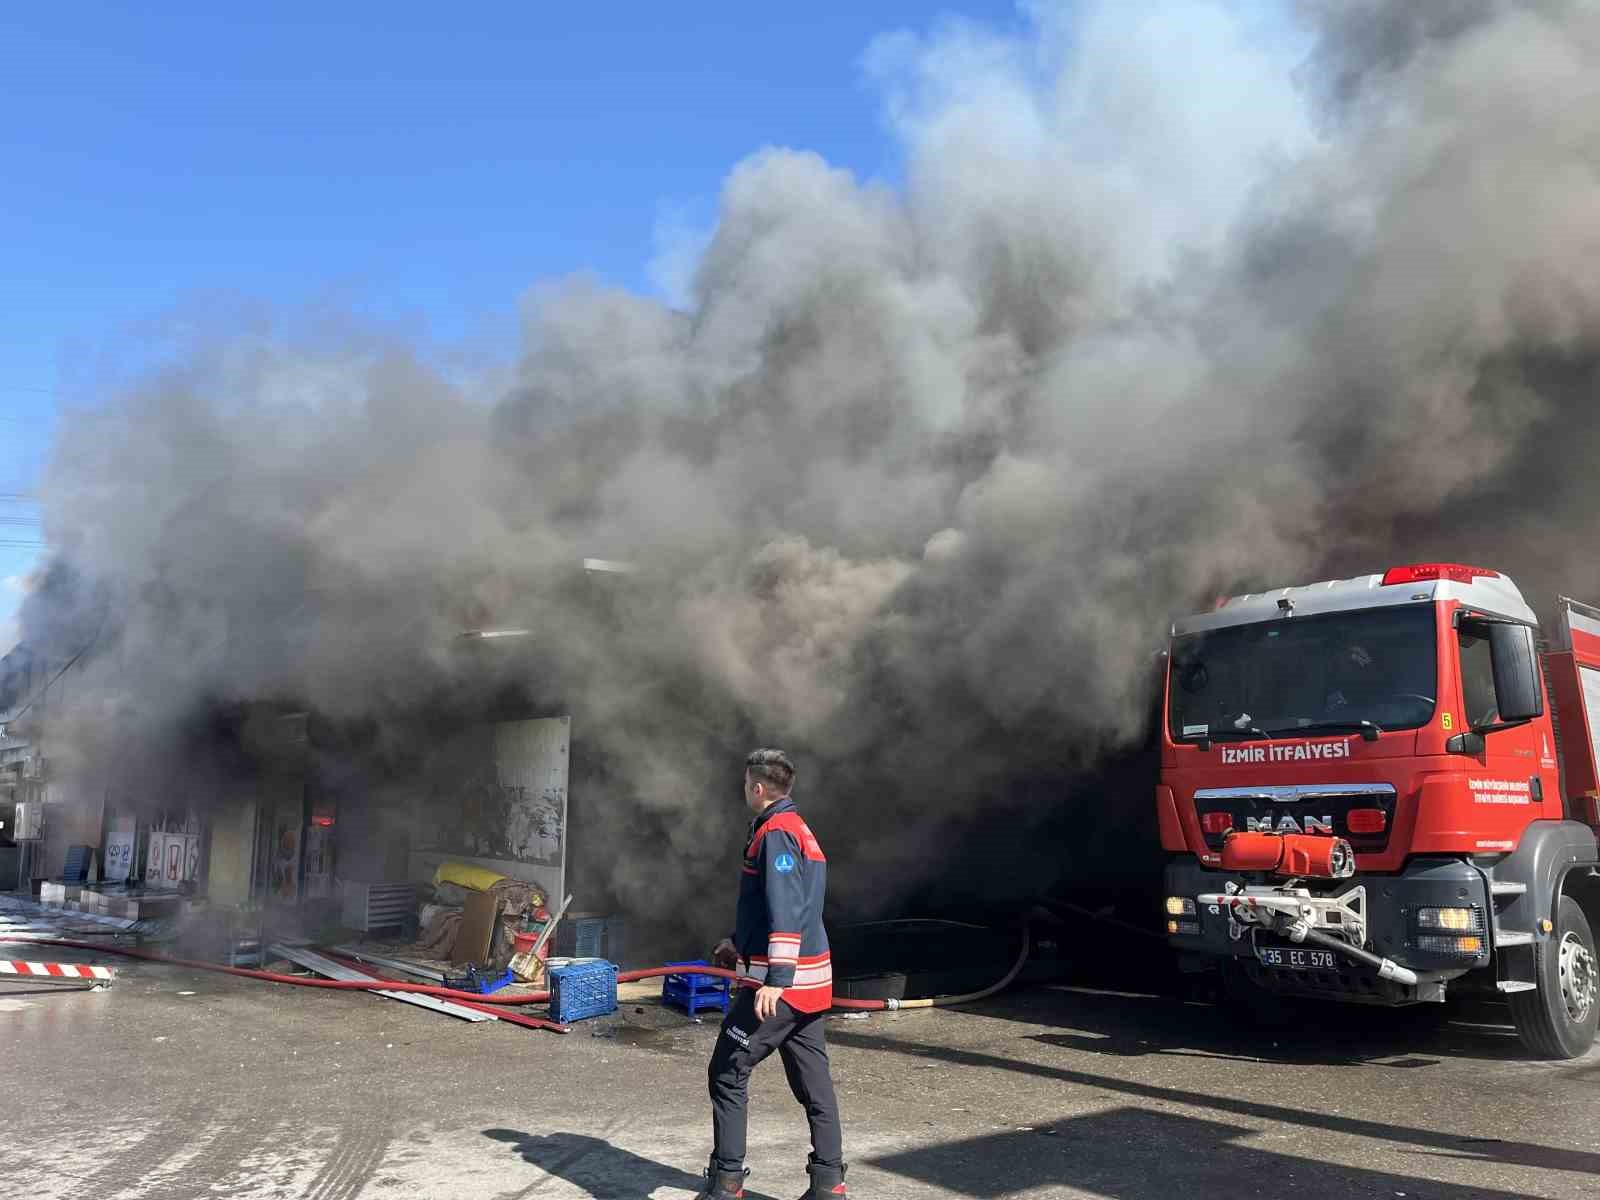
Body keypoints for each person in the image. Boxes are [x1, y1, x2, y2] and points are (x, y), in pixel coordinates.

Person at [698, 748, 847, 1200]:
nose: (744, 790)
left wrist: (776, 981)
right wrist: (737, 943)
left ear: (757, 788)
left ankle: (726, 1183)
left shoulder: (777, 833)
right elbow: (778, 906)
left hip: (785, 987)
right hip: (812, 985)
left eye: (746, 784)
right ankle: (828, 1185)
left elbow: (785, 906)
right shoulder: (800, 829)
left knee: (727, 1071)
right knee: (813, 1084)